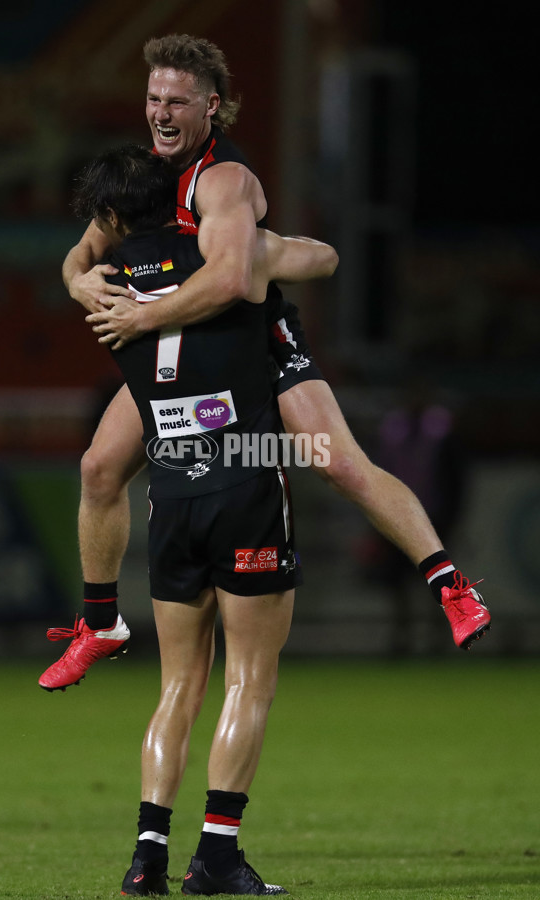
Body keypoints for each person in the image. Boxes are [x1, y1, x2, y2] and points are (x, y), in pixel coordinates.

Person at [39, 34, 490, 692]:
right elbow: (79, 256)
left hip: (255, 342)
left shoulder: (224, 180)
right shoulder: (143, 178)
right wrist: (80, 283)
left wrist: (141, 315)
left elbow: (229, 283)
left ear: (210, 107)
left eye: (177, 101)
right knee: (98, 467)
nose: (161, 113)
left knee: (340, 464)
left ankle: (449, 585)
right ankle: (101, 623)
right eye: (153, 98)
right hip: (190, 352)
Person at [66, 143, 338, 896]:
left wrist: (85, 266)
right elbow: (322, 259)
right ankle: (216, 854)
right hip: (243, 480)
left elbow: (79, 266)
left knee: (178, 686)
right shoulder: (232, 265)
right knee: (249, 679)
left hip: (172, 496)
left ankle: (147, 855)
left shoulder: (110, 287)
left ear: (114, 219)